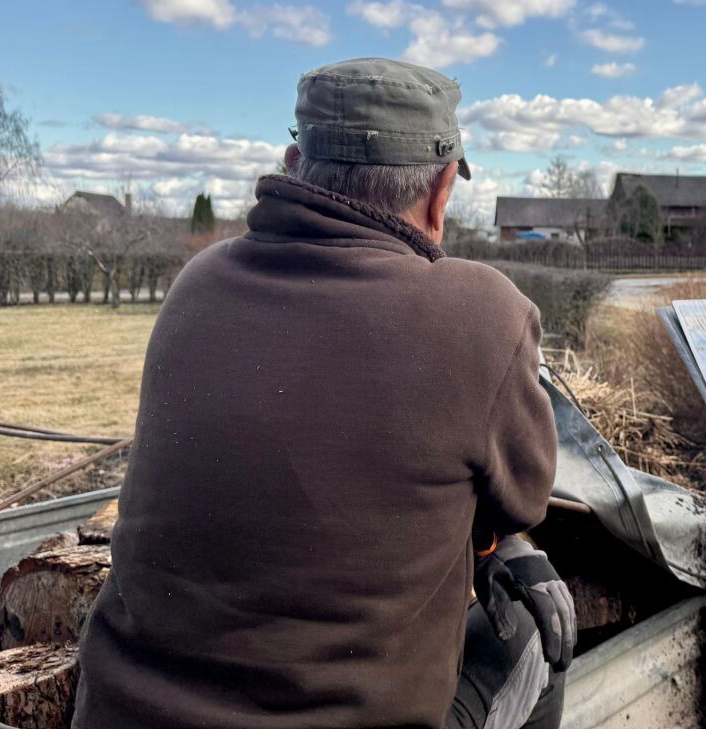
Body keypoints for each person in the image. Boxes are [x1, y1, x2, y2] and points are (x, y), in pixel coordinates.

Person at [73, 58, 571, 729]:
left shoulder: (196, 284)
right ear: (442, 189)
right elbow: (524, 498)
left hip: (120, 715)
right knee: (539, 635)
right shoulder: (481, 315)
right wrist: (508, 547)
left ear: (292, 161)